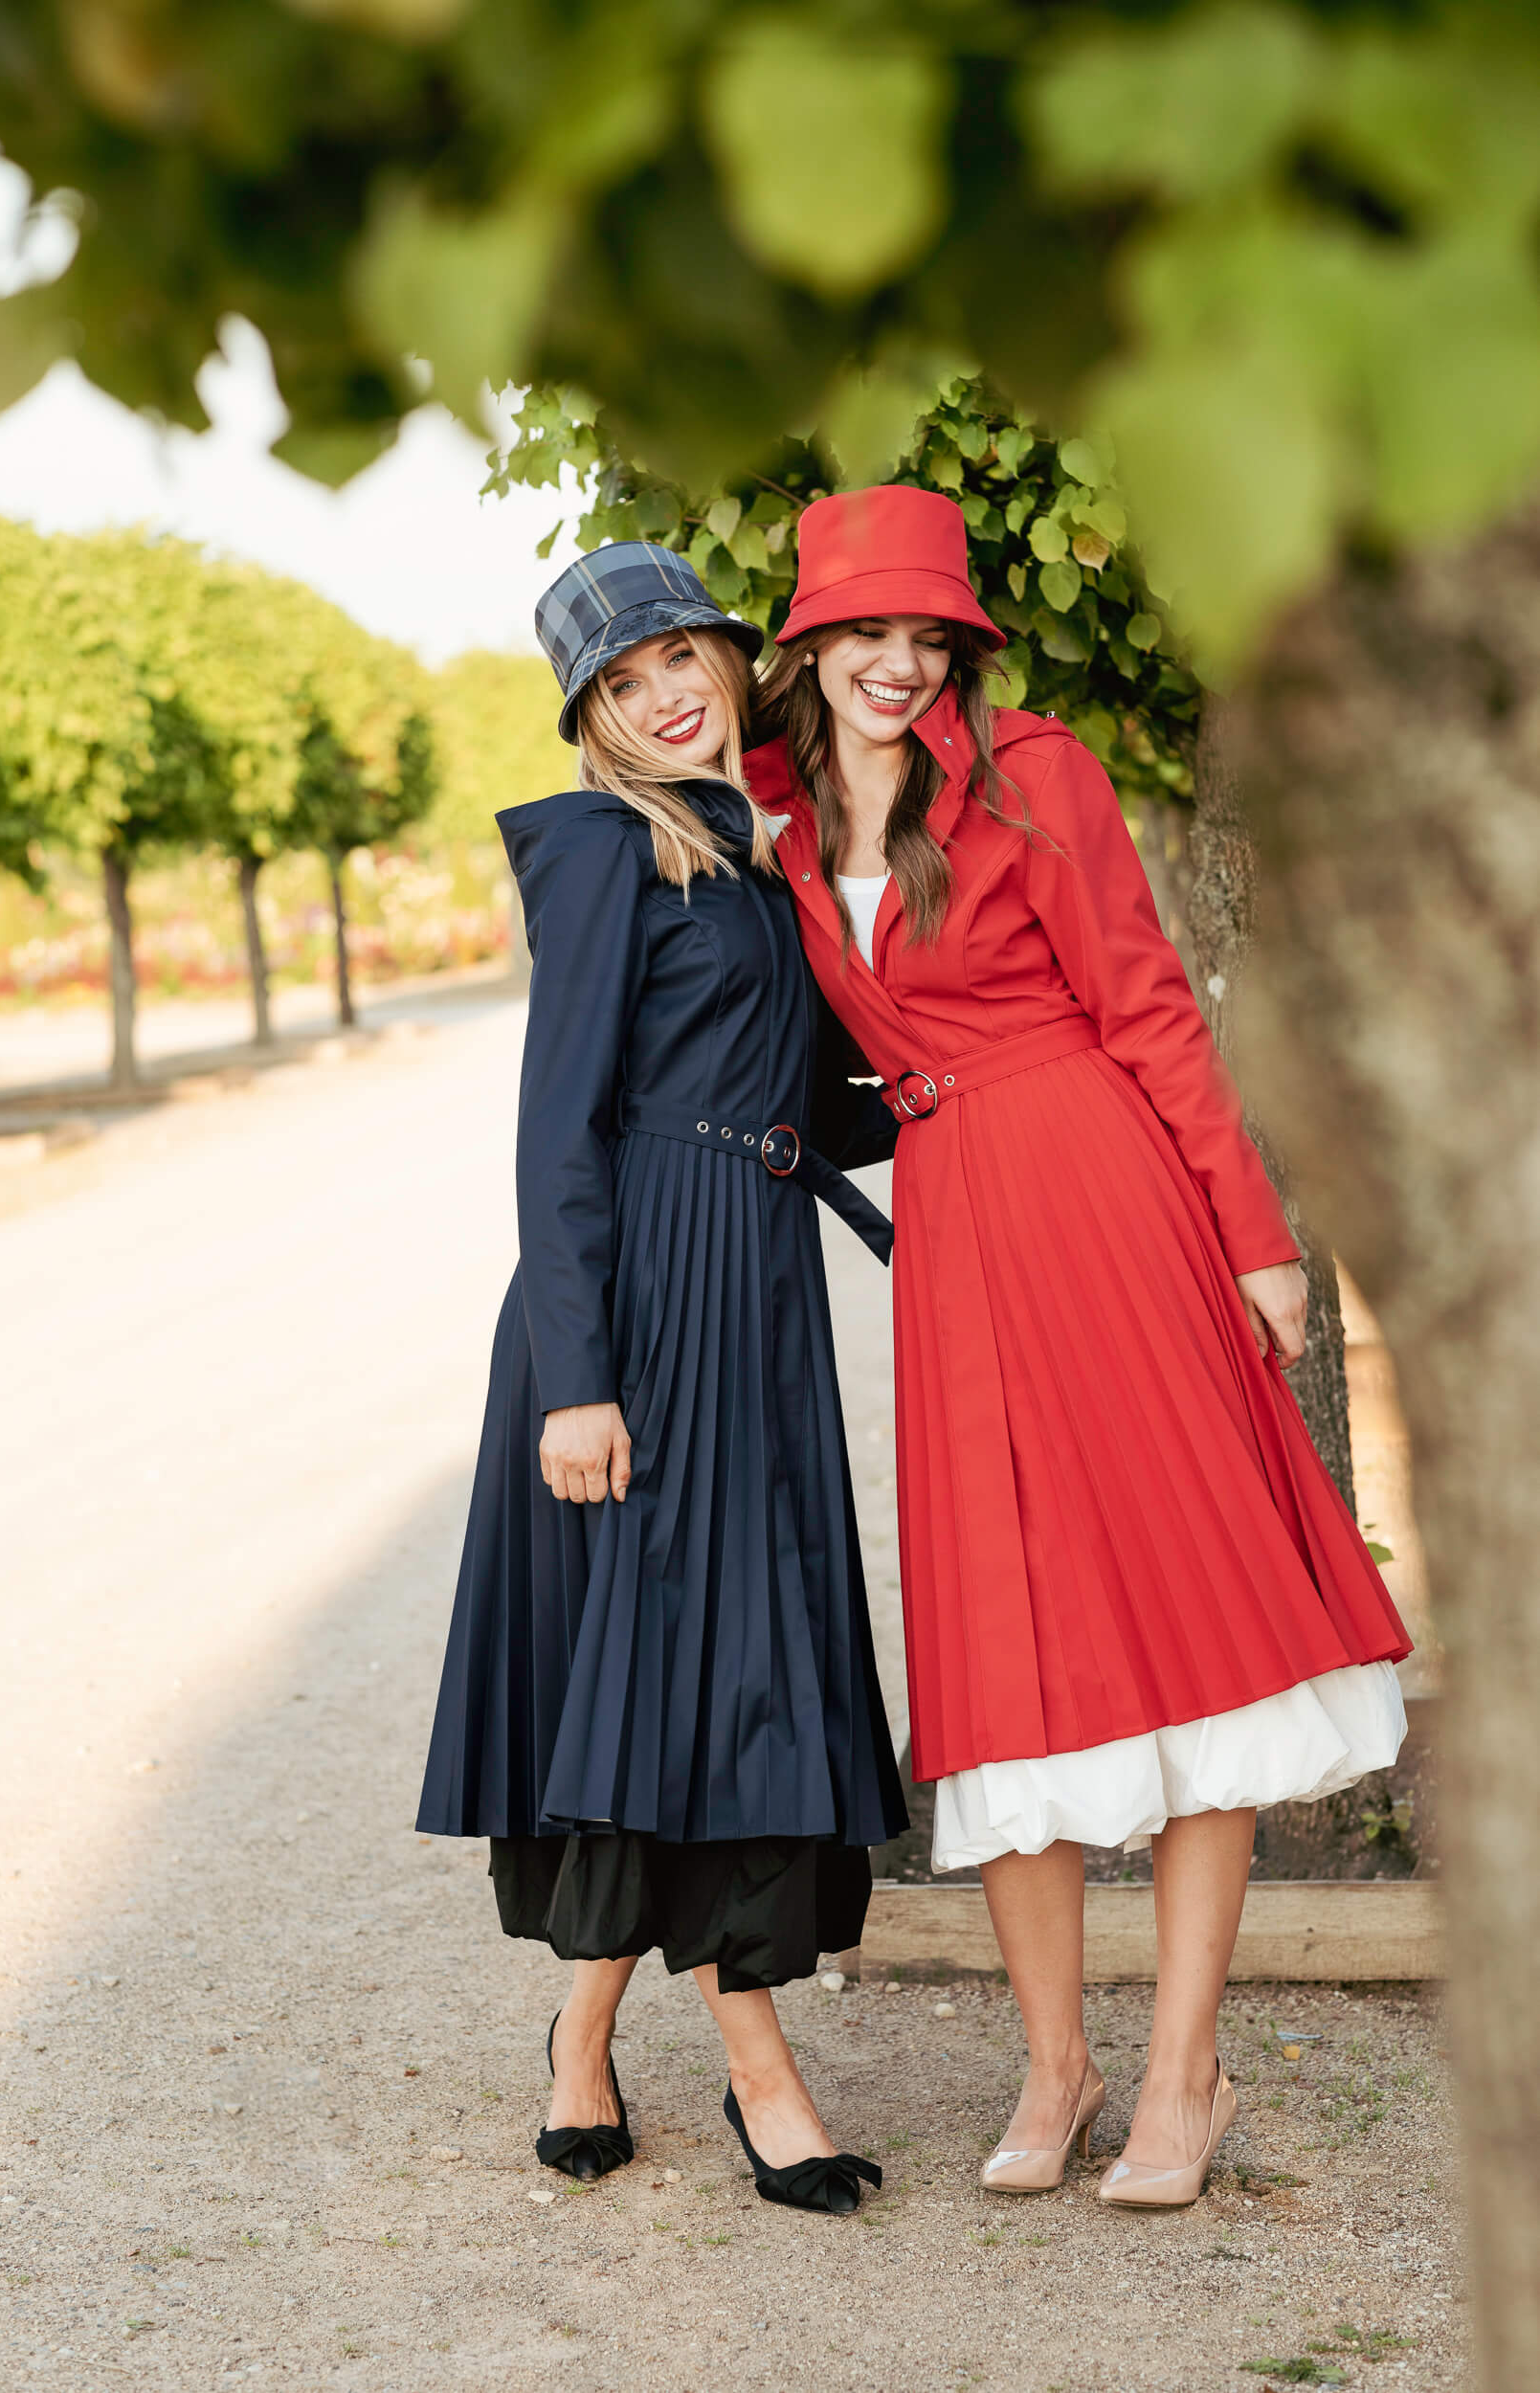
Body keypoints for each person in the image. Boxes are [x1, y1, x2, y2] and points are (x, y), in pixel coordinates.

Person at [748, 485, 1411, 2209]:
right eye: (865, 632)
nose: (898, 664)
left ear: (961, 642)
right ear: (807, 643)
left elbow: (1150, 1009)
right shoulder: (773, 808)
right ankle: (1058, 2070)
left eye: (928, 634)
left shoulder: (1037, 773)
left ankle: (1185, 2076)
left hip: (1102, 1191)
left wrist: (1256, 1236)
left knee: (1199, 1624)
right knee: (1002, 1651)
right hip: (958, 1227)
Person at [416, 541, 904, 2216]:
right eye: (621, 686)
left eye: (675, 659)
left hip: (754, 1288)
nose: (662, 695)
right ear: (592, 722)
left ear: (720, 653)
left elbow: (813, 1092)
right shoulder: (609, 852)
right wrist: (577, 1377)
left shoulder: (759, 854)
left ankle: (582, 2032)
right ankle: (764, 2075)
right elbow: (561, 1127)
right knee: (668, 1673)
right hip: (637, 1305)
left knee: (714, 1673)